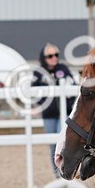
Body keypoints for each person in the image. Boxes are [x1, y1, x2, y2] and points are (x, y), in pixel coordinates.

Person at [31, 44, 74, 178]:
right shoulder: (39, 73)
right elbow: (33, 91)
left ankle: (67, 171)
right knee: (53, 145)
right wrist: (42, 105)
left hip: (65, 112)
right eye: (50, 56)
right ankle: (57, 174)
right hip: (49, 114)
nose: (54, 58)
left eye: (56, 55)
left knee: (65, 143)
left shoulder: (63, 69)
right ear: (44, 58)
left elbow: (72, 85)